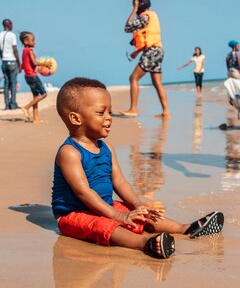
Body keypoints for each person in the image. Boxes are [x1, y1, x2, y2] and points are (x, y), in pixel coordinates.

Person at [51, 76, 224, 259]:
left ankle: (186, 228)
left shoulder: (106, 148)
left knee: (140, 216)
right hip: (74, 215)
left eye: (109, 112)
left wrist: (138, 205)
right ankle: (145, 244)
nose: (109, 118)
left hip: (106, 205)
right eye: (101, 113)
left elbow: (120, 182)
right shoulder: (69, 152)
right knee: (106, 226)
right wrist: (117, 216)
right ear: (75, 118)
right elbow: (84, 192)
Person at [119, 0, 170, 118]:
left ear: (140, 4)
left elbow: (127, 27)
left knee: (133, 78)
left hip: (152, 51)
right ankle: (166, 112)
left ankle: (133, 109)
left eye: (135, 3)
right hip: (158, 50)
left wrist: (134, 10)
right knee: (157, 83)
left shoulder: (144, 17)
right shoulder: (152, 15)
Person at [19, 31, 50, 123]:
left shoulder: (24, 51)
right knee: (44, 94)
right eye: (32, 40)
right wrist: (45, 63)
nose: (34, 42)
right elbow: (34, 62)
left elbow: (24, 64)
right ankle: (26, 107)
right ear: (26, 41)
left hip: (27, 76)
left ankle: (36, 118)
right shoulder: (29, 51)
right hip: (32, 76)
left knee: (36, 96)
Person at [0, 19, 21, 110]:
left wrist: (2, 59)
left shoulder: (0, 35)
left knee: (6, 83)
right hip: (12, 61)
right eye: (11, 24)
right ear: (8, 25)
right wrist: (19, 63)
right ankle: (13, 104)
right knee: (13, 84)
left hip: (4, 62)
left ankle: (6, 104)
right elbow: (15, 50)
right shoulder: (12, 35)